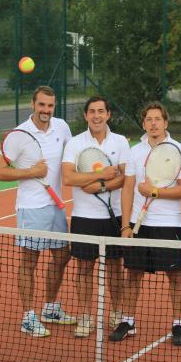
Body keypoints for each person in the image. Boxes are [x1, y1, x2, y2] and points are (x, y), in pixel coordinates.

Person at [0, 85, 75, 338]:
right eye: (41, 105)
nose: (46, 110)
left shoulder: (62, 127)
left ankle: (50, 308)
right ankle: (28, 317)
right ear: (33, 104)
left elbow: (72, 157)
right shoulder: (19, 134)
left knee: (62, 256)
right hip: (32, 208)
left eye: (50, 105)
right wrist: (32, 172)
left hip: (56, 205)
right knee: (30, 261)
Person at [110, 101, 181, 346]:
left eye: (158, 119)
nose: (153, 123)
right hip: (138, 224)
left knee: (175, 275)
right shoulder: (135, 151)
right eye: (149, 119)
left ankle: (179, 324)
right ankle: (128, 321)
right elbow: (128, 188)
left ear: (165, 123)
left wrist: (155, 192)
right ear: (144, 124)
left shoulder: (179, 150)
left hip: (169, 224)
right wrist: (125, 225)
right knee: (132, 274)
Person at [61, 96, 130, 338]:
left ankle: (117, 313)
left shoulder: (120, 142)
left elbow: (125, 177)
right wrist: (102, 176)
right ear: (86, 115)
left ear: (108, 114)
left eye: (101, 111)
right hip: (84, 217)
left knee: (115, 267)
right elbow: (68, 177)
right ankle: (84, 316)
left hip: (114, 216)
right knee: (84, 268)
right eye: (92, 111)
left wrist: (100, 186)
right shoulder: (75, 143)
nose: (97, 116)